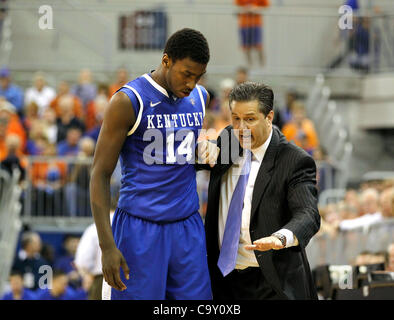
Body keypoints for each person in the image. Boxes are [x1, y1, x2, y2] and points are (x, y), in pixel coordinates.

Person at [90, 28, 219, 300]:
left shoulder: (199, 98)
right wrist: (107, 246)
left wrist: (204, 151)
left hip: (187, 226)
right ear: (166, 61)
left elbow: (178, 155)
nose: (191, 83)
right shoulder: (128, 101)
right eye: (186, 74)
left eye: (198, 76)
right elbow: (99, 174)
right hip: (140, 228)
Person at [203, 82, 320, 300]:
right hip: (225, 281)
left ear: (269, 117)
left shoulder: (294, 160)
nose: (241, 128)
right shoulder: (229, 139)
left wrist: (281, 238)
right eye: (235, 118)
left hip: (273, 282)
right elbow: (190, 157)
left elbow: (308, 214)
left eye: (250, 119)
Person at [235, 0, 270, 66]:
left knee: (259, 46)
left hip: (256, 24)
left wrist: (255, 8)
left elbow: (266, 6)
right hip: (244, 25)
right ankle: (249, 67)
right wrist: (245, 9)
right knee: (246, 47)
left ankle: (262, 67)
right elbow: (237, 7)